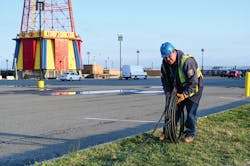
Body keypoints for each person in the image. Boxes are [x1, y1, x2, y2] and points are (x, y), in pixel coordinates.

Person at [159, 42, 203, 143]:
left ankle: (190, 134)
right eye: (165, 57)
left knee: (190, 112)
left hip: (194, 88)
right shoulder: (165, 65)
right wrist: (168, 94)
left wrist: (185, 95)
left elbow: (193, 82)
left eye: (169, 56)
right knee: (172, 110)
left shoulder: (186, 62)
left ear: (174, 52)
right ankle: (167, 132)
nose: (168, 59)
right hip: (179, 88)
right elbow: (165, 81)